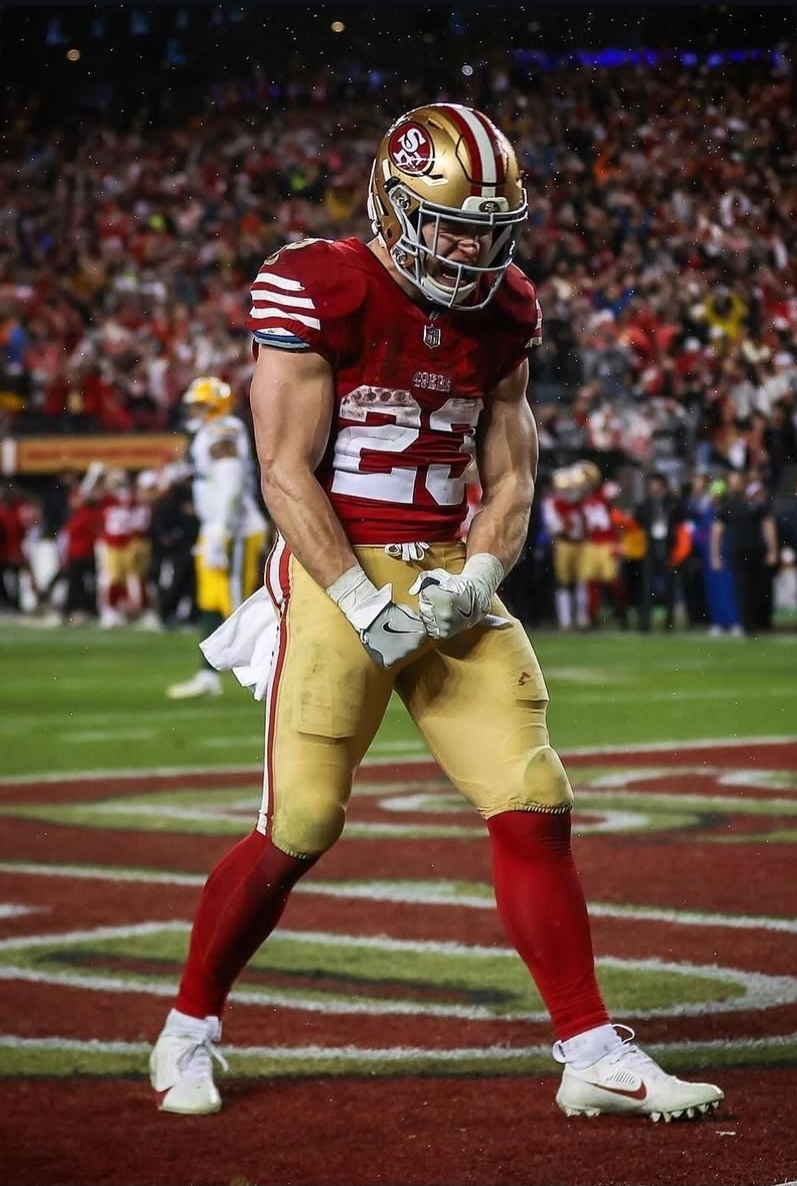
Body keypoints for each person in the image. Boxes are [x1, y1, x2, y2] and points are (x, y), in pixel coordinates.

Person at [150, 102, 724, 1122]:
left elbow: (512, 473)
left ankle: (589, 1049)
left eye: (487, 229)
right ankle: (188, 1026)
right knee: (301, 822)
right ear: (393, 205)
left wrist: (481, 573)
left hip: (446, 567)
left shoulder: (505, 308)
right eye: (450, 226)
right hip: (336, 569)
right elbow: (282, 472)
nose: (470, 250)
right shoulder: (319, 283)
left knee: (532, 790)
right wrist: (357, 597)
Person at [166, 376, 270, 698]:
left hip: (234, 529)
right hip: (216, 528)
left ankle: (267, 671)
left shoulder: (221, 430)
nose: (193, 412)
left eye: (199, 406)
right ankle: (208, 675)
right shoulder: (208, 432)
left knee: (236, 603)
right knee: (210, 601)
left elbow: (231, 480)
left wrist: (222, 529)